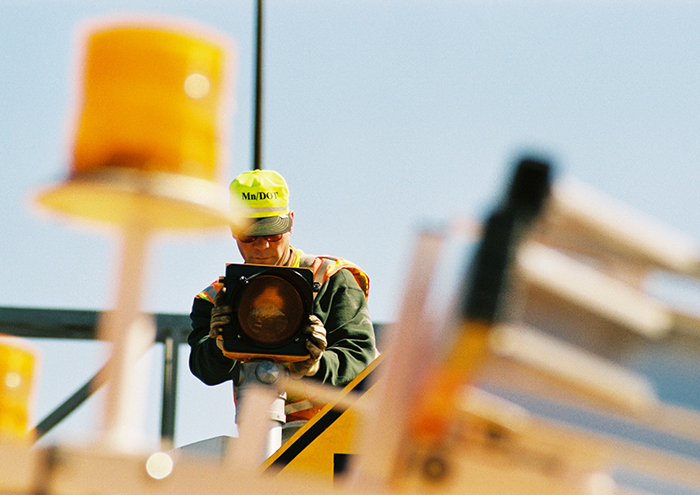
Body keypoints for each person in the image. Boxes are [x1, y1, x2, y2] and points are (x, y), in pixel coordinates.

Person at [188, 169, 377, 425]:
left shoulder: (330, 279)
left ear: (290, 222)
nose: (262, 246)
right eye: (249, 235)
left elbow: (360, 359)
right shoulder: (214, 300)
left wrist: (315, 367)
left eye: (272, 234)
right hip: (262, 437)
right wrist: (220, 347)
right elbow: (204, 369)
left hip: (331, 437)